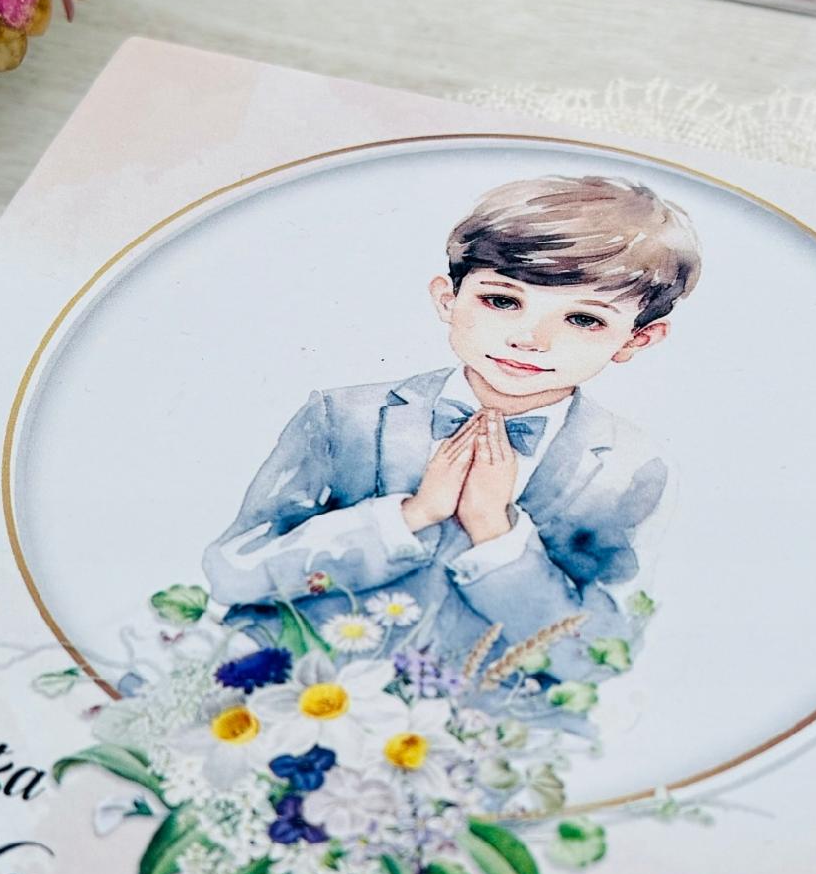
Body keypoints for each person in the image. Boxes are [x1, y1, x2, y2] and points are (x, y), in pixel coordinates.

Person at [203, 172, 699, 676]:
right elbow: (233, 573)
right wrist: (410, 516)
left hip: (487, 715)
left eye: (583, 319)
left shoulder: (632, 468)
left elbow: (599, 658)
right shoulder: (344, 417)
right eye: (502, 301)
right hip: (289, 689)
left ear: (636, 340)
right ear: (447, 298)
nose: (530, 339)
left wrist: (494, 532)